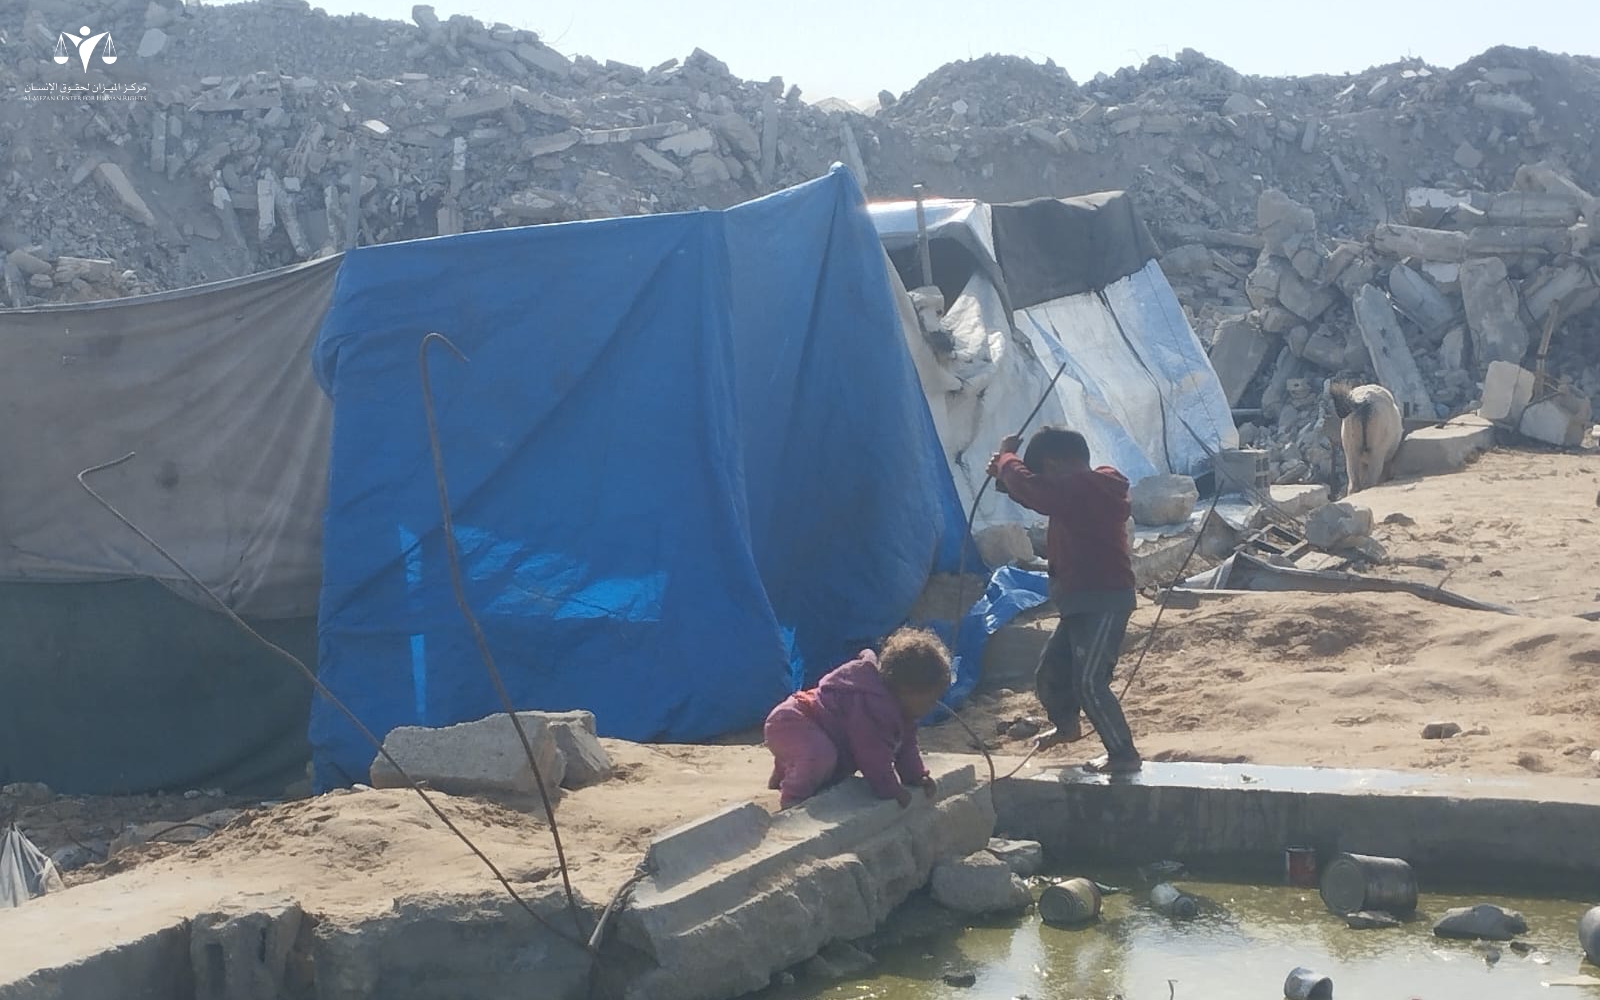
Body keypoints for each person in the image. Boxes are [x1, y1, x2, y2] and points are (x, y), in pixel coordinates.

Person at [987, 427, 1143, 774]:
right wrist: (1005, 477)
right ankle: (1067, 725)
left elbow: (1041, 493)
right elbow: (1040, 495)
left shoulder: (1094, 485)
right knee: (1051, 673)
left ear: (1054, 465)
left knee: (1090, 681)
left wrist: (1007, 459)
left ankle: (1123, 754)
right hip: (1079, 601)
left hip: (1104, 599)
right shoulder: (1078, 494)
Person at [764, 627, 951, 809]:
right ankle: (793, 797)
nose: (931, 706)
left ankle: (788, 769)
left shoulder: (901, 712)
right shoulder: (874, 707)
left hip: (806, 729)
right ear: (907, 690)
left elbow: (905, 746)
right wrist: (890, 789)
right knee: (820, 756)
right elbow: (873, 756)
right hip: (793, 722)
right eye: (929, 700)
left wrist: (916, 776)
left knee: (823, 758)